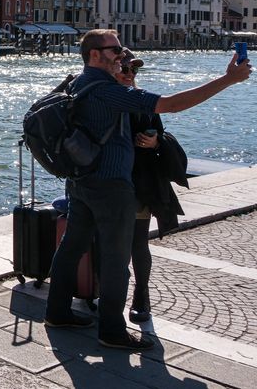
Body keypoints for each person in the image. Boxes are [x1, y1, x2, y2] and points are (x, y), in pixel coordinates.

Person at [45, 29, 251, 351]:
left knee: (71, 247)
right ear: (94, 55)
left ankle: (57, 312)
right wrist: (228, 80)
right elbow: (171, 104)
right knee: (116, 259)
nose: (121, 55)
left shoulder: (77, 84)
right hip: (111, 187)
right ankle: (112, 331)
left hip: (80, 181)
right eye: (114, 50)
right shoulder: (108, 91)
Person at [115, 49, 186, 324]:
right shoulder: (103, 98)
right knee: (109, 241)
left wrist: (155, 142)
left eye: (134, 70)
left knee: (137, 241)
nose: (130, 74)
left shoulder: (144, 100)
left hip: (140, 182)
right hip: (109, 183)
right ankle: (105, 292)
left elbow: (160, 130)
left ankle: (141, 295)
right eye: (125, 69)